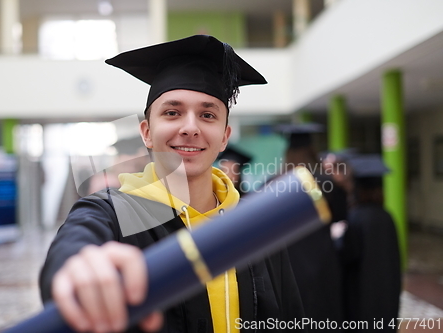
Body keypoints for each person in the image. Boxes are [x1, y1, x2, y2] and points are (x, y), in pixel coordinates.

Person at [39, 35, 305, 333]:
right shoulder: (114, 213)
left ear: (225, 136)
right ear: (147, 132)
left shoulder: (256, 223)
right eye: (172, 112)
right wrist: (76, 267)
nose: (190, 127)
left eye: (207, 115)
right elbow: (77, 241)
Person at [272, 123, 347, 331]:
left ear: (288, 152)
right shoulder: (327, 182)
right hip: (321, 262)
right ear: (312, 150)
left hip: (286, 265)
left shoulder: (273, 183)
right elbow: (341, 215)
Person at [339, 155, 401, 331]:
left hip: (362, 297)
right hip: (387, 295)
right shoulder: (387, 217)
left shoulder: (355, 218)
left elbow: (347, 256)